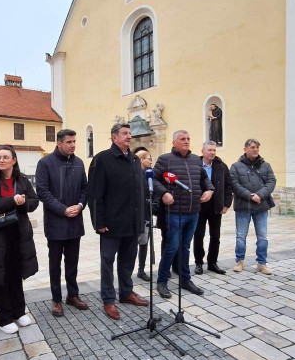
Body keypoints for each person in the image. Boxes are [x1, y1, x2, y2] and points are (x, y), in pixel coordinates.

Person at [88, 123, 149, 320]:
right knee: (107, 262)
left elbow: (139, 192)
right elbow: (95, 194)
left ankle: (126, 293)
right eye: (125, 134)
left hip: (131, 224)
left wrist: (141, 220)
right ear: (114, 137)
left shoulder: (133, 159)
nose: (129, 136)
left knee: (127, 261)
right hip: (111, 224)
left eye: (130, 133)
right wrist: (99, 222)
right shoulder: (102, 159)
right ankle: (108, 300)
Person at [0, 146, 39, 334]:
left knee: (16, 274)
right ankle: (3, 319)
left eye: (5, 157)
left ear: (14, 160)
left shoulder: (22, 180)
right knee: (1, 278)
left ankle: (18, 311)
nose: (1, 160)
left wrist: (24, 202)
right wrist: (12, 200)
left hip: (17, 235)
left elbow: (34, 201)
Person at [152, 130, 214, 299]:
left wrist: (210, 189)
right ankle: (162, 281)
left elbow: (204, 179)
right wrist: (164, 193)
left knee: (185, 248)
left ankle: (185, 279)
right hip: (175, 212)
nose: (186, 141)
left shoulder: (196, 160)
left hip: (193, 211)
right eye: (182, 139)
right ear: (174, 143)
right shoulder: (165, 159)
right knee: (172, 247)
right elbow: (152, 179)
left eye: (188, 138)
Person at [35, 129, 89, 317]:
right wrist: (63, 209)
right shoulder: (45, 163)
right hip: (56, 222)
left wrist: (80, 205)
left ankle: (73, 295)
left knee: (72, 262)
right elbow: (42, 192)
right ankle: (56, 299)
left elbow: (85, 188)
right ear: (59, 143)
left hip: (75, 221)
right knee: (55, 264)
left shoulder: (79, 162)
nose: (73, 145)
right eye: (69, 142)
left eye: (74, 141)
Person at [230, 138, 276, 275]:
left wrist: (260, 195)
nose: (255, 150)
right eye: (252, 147)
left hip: (261, 206)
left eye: (257, 147)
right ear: (245, 149)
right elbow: (234, 184)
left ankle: (262, 263)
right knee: (240, 236)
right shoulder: (235, 166)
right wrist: (250, 195)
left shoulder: (266, 165)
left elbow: (271, 181)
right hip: (243, 206)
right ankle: (239, 261)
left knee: (262, 236)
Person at [193, 141, 233, 275]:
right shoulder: (195, 165)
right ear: (203, 151)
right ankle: (199, 262)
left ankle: (212, 262)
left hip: (216, 206)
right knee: (198, 235)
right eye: (209, 150)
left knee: (215, 236)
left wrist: (227, 204)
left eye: (214, 150)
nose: (212, 153)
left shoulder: (221, 166)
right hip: (199, 205)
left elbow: (229, 186)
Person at [134, 148, 153, 282]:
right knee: (134, 243)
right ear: (141, 160)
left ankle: (141, 269)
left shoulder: (149, 174)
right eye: (149, 158)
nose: (151, 161)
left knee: (144, 243)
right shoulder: (135, 174)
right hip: (136, 215)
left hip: (147, 213)